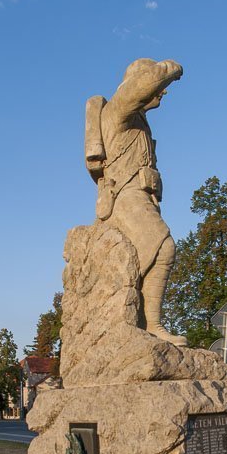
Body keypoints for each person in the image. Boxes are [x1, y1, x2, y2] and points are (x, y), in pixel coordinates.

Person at [85, 58, 187, 346]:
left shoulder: (139, 120)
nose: (163, 93)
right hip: (123, 195)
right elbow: (144, 85)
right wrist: (171, 69)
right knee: (163, 246)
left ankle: (140, 323)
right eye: (160, 87)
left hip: (140, 194)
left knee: (152, 254)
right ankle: (148, 324)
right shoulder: (119, 109)